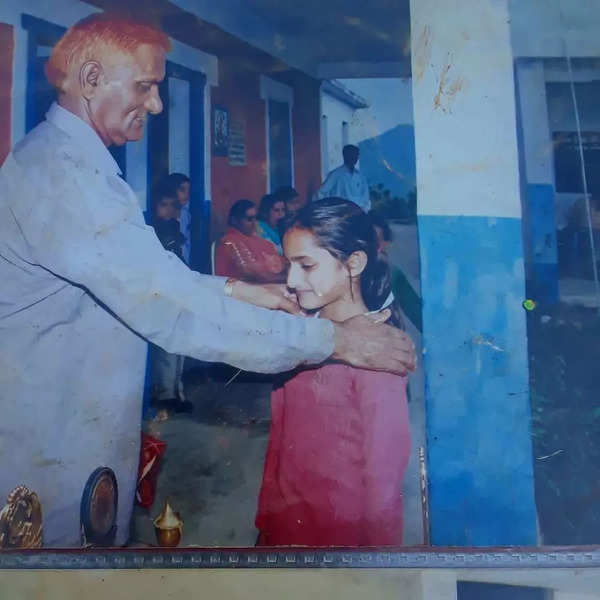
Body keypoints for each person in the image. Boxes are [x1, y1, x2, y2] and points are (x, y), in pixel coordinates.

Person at [0, 13, 415, 548]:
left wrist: (238, 289)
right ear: (92, 79)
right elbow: (170, 312)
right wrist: (334, 339)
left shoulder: (75, 166)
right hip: (44, 449)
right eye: (147, 86)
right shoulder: (63, 179)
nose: (156, 105)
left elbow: (154, 276)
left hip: (65, 432)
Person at [255, 198, 410, 546]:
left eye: (306, 265)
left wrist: (380, 567)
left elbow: (384, 481)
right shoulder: (299, 335)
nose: (292, 280)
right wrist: (266, 519)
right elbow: (280, 437)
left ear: (353, 263)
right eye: (288, 266)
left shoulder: (376, 354)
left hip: (341, 538)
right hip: (286, 527)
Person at [148, 191, 192, 413]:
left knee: (178, 344)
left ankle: (177, 391)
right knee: (165, 345)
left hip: (177, 288)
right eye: (163, 205)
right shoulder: (152, 230)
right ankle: (165, 393)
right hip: (161, 290)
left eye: (172, 206)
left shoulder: (174, 229)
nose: (168, 210)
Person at [215, 199, 286, 283]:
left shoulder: (260, 241)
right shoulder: (229, 241)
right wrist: (285, 278)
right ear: (234, 221)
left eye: (255, 218)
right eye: (249, 219)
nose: (254, 223)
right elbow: (252, 274)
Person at [317, 144, 371, 212]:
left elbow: (366, 198)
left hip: (357, 214)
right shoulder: (335, 174)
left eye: (356, 155)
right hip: (340, 214)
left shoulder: (361, 176)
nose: (355, 157)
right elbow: (320, 193)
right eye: (352, 155)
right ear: (345, 156)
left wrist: (364, 212)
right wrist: (326, 210)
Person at [164, 173, 191, 264]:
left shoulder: (187, 214)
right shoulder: (163, 214)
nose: (186, 195)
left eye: (188, 191)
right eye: (182, 190)